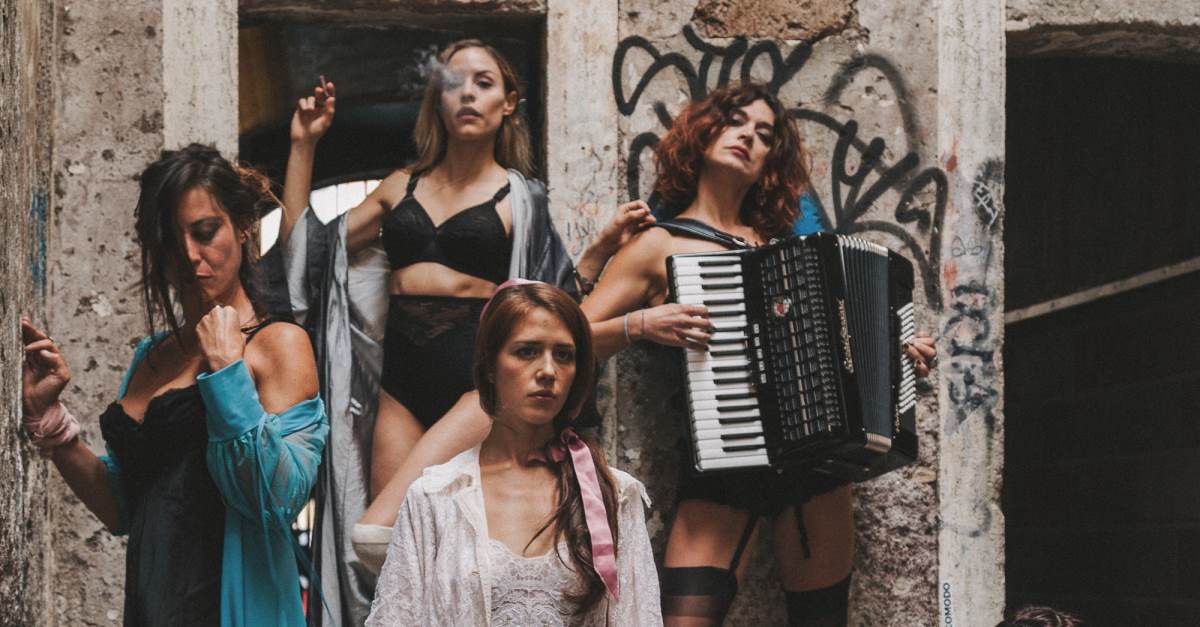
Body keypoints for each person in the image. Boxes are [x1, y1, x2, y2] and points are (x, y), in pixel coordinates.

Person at [276, 39, 658, 622]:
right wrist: (304, 145)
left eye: (484, 82)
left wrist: (600, 254)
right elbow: (304, 257)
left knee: (378, 529)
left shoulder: (521, 197)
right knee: (393, 551)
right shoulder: (401, 185)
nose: (468, 94)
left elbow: (547, 304)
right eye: (454, 81)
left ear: (509, 103)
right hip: (399, 383)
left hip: (474, 383)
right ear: (438, 97)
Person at [579, 83, 937, 626]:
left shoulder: (787, 251)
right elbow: (567, 340)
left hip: (814, 466)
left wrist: (898, 357)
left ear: (771, 159)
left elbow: (845, 351)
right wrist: (641, 324)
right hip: (724, 465)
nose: (747, 135)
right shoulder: (657, 246)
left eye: (764, 133)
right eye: (734, 121)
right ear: (702, 134)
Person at [20, 144, 328, 626]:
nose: (189, 255)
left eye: (205, 232)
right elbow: (123, 507)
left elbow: (277, 500)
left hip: (230, 611)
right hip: (152, 609)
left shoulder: (279, 345)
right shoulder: (152, 355)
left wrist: (227, 375)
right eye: (170, 238)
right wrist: (52, 423)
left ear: (243, 226)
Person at [365, 281, 661, 625]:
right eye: (527, 351)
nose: (548, 370)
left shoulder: (613, 493)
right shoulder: (436, 496)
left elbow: (639, 618)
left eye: (564, 355)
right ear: (490, 366)